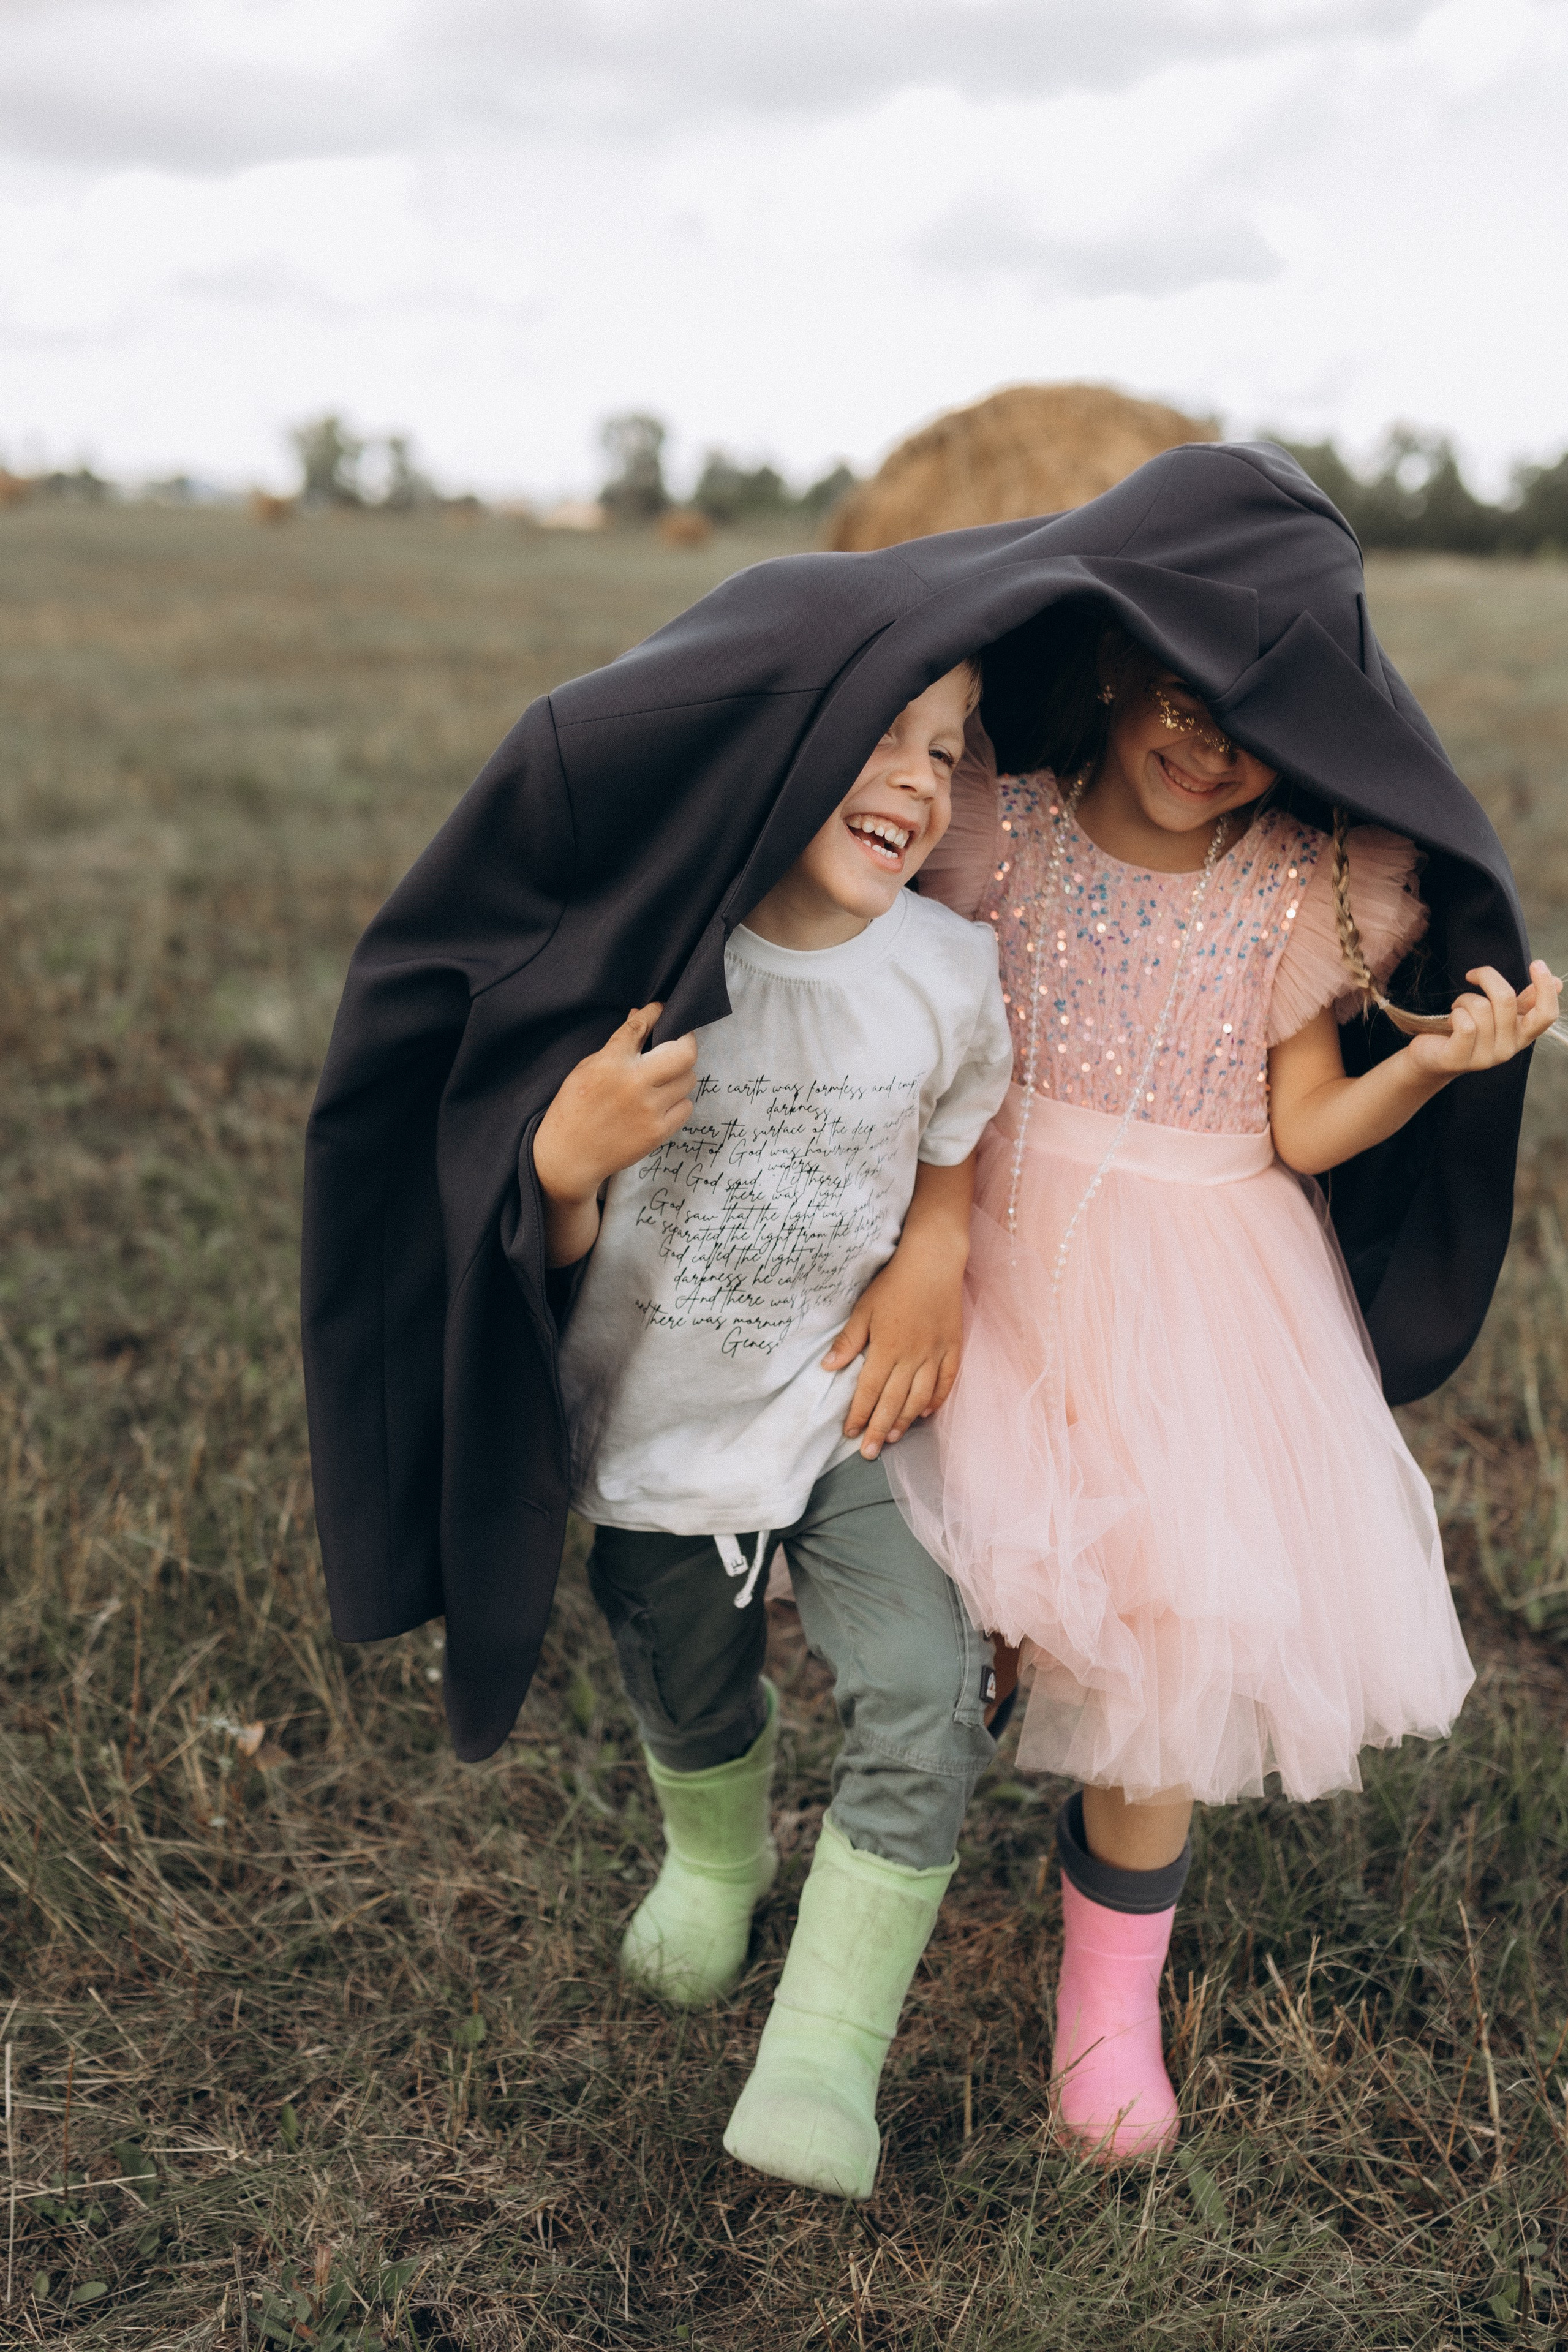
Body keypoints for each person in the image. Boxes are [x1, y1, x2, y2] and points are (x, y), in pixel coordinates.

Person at [901, 600, 1564, 2163]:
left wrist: (1425, 1065)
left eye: (1255, 730)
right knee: (959, 1612)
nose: (1209, 751)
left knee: (1159, 1655)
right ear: (1119, 674)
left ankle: (1108, 2011)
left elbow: (1300, 1132)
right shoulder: (1003, 840)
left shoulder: (1302, 892)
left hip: (1201, 1293)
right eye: (1182, 706)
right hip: (992, 1255)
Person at [529, 660, 1011, 2196]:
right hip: (661, 1435)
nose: (919, 778)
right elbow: (510, 1251)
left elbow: (952, 1143)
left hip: (846, 1404)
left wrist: (935, 1254)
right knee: (688, 1680)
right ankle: (717, 1858)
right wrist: (560, 1167)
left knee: (928, 1688)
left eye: (944, 751)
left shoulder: (944, 966)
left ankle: (818, 2053)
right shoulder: (653, 965)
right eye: (878, 739)